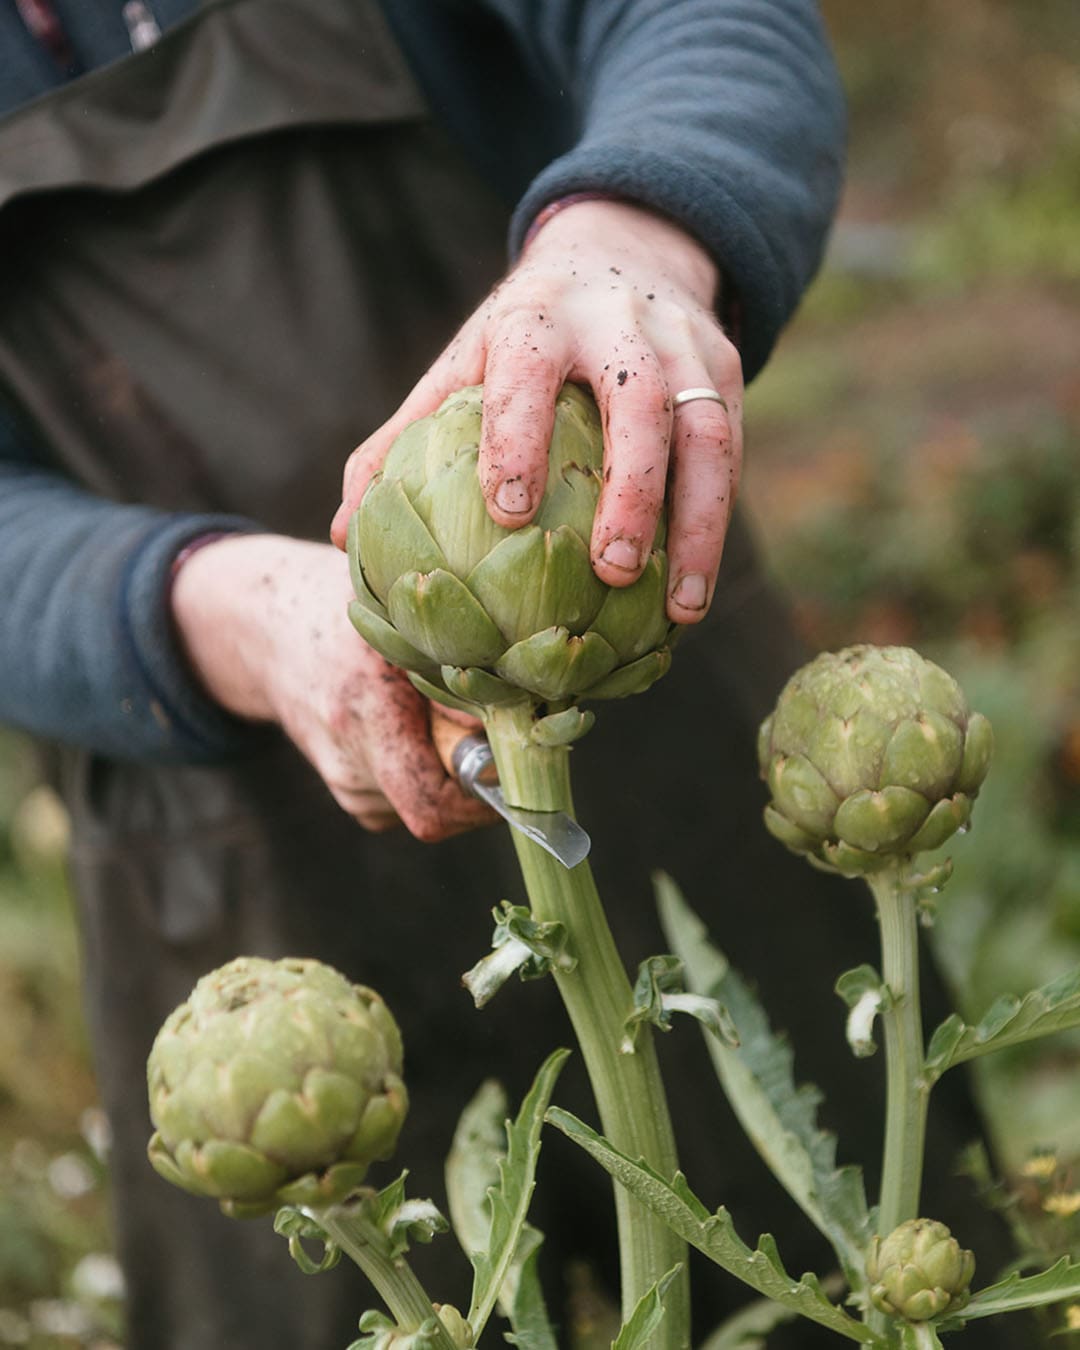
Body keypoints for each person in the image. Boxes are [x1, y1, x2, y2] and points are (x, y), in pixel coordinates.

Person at [0, 2, 1010, 1347]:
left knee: (854, 1287)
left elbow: (706, 18)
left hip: (658, 731)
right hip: (221, 845)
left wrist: (631, 230)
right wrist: (217, 608)